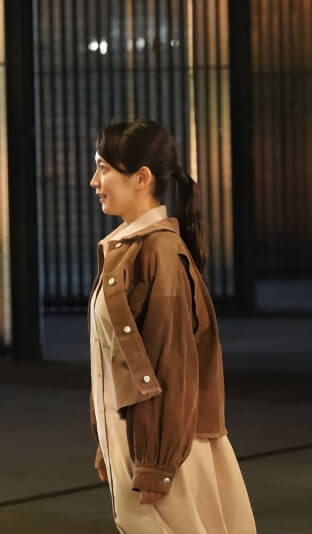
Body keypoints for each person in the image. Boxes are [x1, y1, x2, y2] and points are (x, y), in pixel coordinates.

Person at [87, 120, 256, 533]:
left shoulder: (158, 251)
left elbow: (173, 365)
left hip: (166, 450)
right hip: (139, 440)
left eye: (104, 168)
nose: (94, 181)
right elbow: (119, 362)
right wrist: (107, 438)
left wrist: (157, 462)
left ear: (141, 177)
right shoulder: (127, 248)